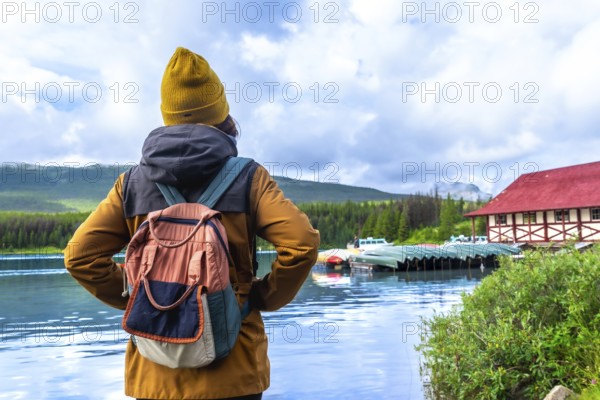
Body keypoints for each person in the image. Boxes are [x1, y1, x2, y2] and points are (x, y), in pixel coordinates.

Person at [64, 47, 320, 400]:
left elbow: (78, 257)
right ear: (222, 114)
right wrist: (261, 296)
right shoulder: (249, 178)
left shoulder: (131, 184)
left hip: (155, 376)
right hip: (235, 371)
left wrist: (143, 299)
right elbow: (302, 244)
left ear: (167, 115)